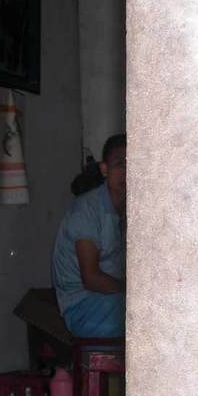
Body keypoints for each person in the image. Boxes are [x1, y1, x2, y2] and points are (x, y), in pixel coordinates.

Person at [52, 134, 126, 338]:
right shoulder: (87, 209)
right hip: (83, 307)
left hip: (113, 299)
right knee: (151, 314)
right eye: (120, 164)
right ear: (104, 169)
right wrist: (133, 291)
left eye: (133, 164)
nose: (127, 172)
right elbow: (91, 278)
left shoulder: (133, 209)